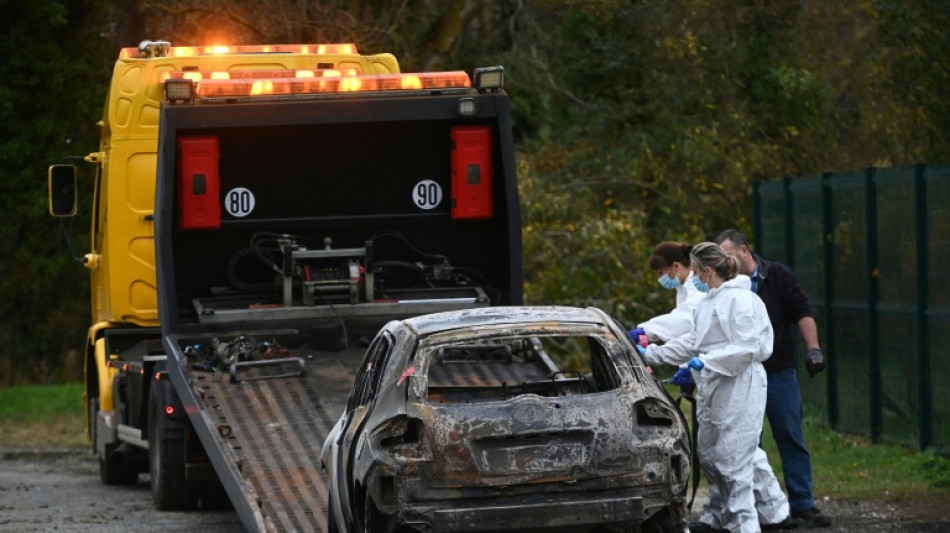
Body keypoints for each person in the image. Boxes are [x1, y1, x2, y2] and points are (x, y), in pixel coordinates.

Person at [641, 242, 795, 533]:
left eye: (697, 272)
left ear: (708, 271)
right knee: (710, 454)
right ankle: (721, 517)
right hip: (714, 385)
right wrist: (651, 354)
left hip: (741, 385)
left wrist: (707, 362)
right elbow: (693, 343)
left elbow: (749, 347)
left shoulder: (742, 301)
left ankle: (744, 525)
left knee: (734, 461)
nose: (695, 278)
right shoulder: (708, 302)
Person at [715, 229, 831, 529]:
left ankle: (803, 504)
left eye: (728, 256)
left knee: (790, 435)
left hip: (778, 371)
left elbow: (802, 313)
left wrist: (813, 349)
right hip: (742, 376)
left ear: (744, 251)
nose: (724, 262)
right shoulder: (724, 285)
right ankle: (763, 508)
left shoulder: (777, 276)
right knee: (750, 443)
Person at [628, 242, 705, 345]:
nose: (659, 279)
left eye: (660, 273)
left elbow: (686, 320)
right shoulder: (683, 287)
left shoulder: (697, 284)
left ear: (676, 266)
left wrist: (646, 330)